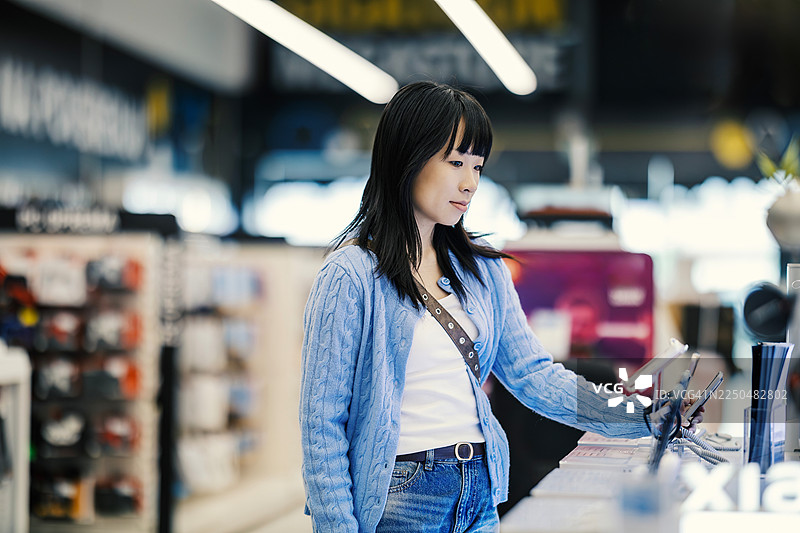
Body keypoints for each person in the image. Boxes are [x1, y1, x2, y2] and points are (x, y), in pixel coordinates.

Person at [299, 81, 698, 533]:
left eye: (478, 167)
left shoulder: (481, 269)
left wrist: (640, 415)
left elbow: (534, 375)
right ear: (407, 158)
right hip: (401, 495)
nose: (470, 183)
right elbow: (322, 425)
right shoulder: (351, 276)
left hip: (480, 490)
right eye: (455, 163)